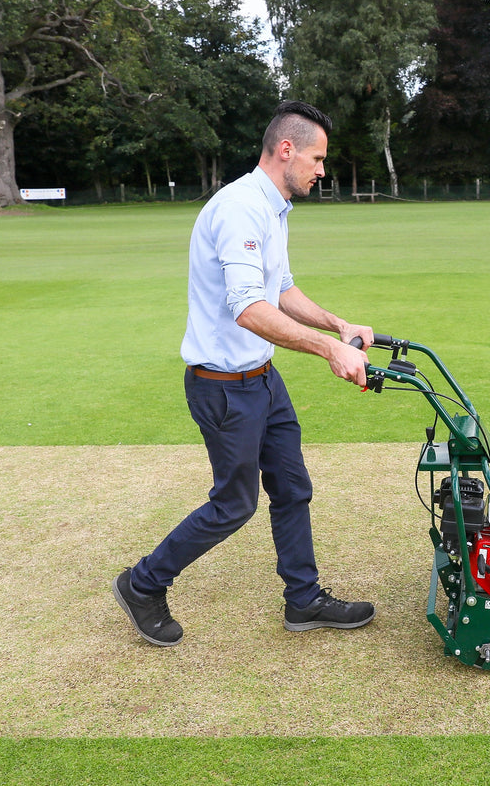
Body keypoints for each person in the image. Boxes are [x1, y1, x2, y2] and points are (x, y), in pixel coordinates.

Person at [114, 100, 375, 647]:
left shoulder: (272, 208)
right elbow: (248, 308)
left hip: (262, 379)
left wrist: (338, 322)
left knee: (292, 487)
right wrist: (330, 350)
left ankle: (303, 601)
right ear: (286, 151)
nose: (322, 170)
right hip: (222, 388)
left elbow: (280, 290)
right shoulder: (238, 209)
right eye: (317, 158)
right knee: (234, 505)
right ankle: (143, 583)